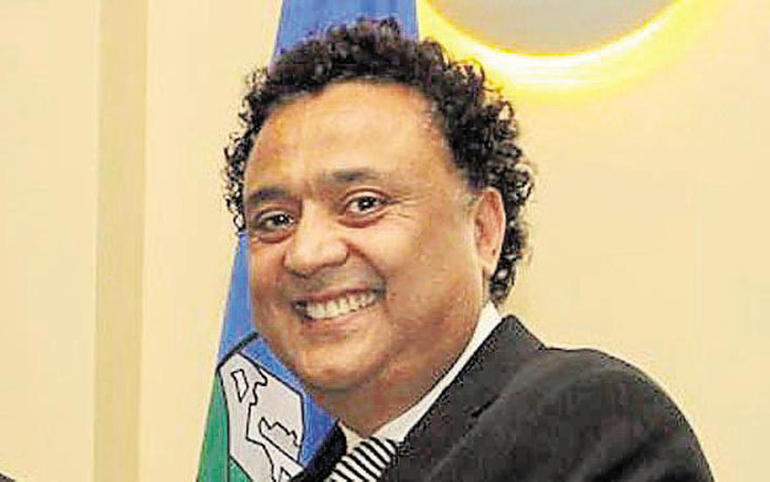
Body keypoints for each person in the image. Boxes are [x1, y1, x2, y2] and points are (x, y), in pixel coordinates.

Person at [222, 18, 712, 482]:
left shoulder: (593, 424)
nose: (307, 253)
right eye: (276, 220)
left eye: (363, 204)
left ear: (483, 231)